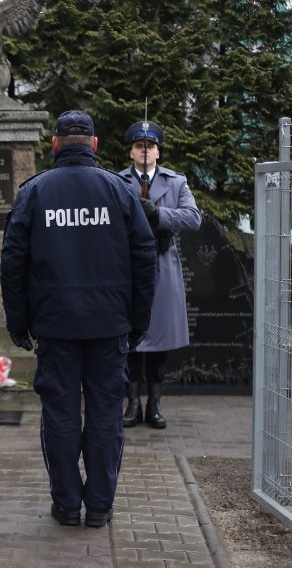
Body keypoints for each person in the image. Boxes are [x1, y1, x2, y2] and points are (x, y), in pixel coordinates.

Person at [1, 110, 157, 528]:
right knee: (107, 414)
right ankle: (100, 506)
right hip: (109, 325)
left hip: (55, 326)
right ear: (95, 144)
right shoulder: (119, 191)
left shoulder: (34, 192)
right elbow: (145, 257)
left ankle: (68, 504)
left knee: (60, 414)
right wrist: (138, 320)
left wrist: (19, 322)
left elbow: (13, 261)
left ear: (53, 145)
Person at [118, 121, 201, 429]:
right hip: (128, 269)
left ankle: (154, 405)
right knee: (129, 340)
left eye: (149, 146)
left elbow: (193, 218)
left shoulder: (176, 182)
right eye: (139, 146)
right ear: (131, 151)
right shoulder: (117, 181)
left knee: (160, 339)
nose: (144, 150)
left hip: (163, 266)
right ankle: (132, 405)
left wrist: (159, 214)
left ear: (157, 151)